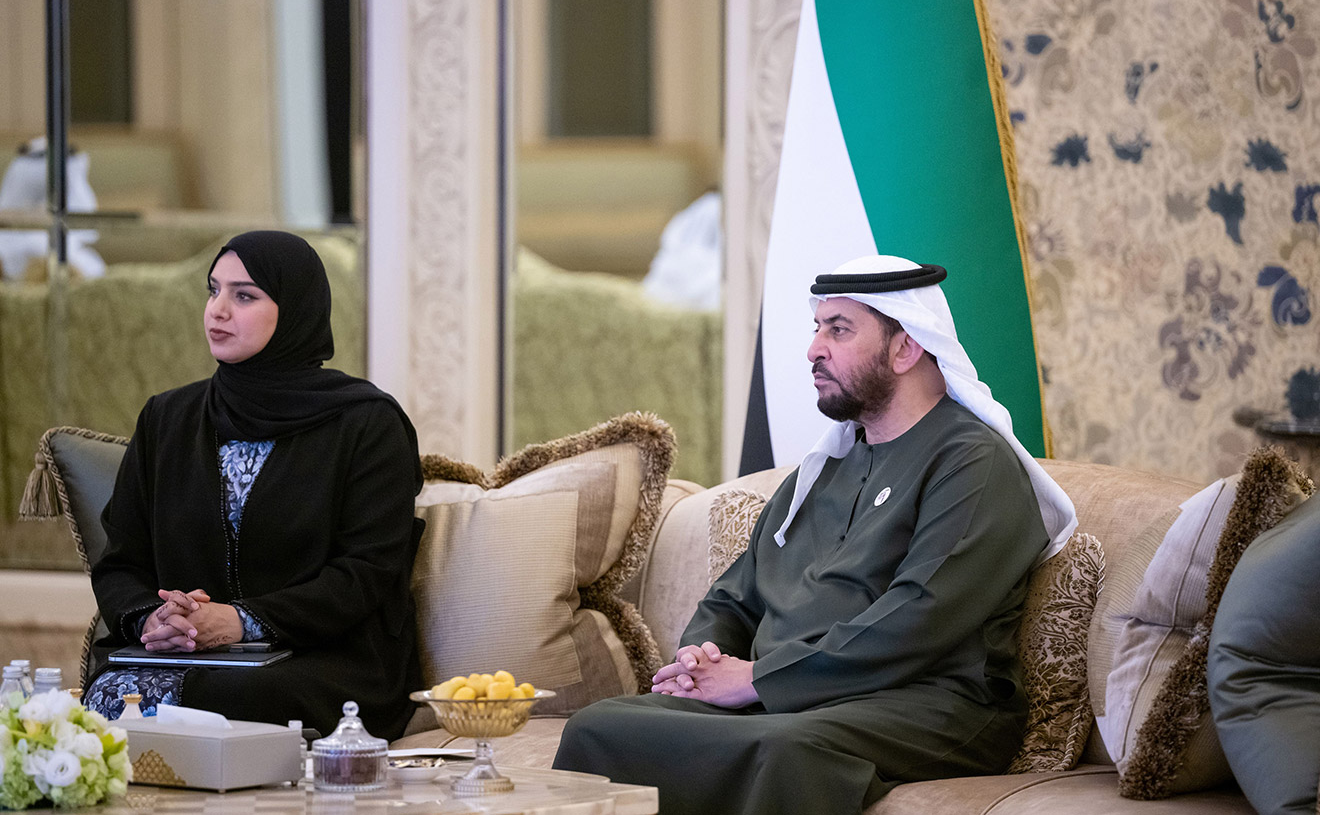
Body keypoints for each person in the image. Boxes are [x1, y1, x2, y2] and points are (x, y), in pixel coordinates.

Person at [553, 254, 1078, 815]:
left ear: (906, 348)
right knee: (598, 727)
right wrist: (701, 658)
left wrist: (758, 680)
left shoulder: (972, 462)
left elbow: (921, 615)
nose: (813, 349)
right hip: (793, 699)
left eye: (839, 330)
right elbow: (736, 595)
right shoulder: (827, 468)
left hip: (928, 702)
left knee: (784, 750)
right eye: (817, 327)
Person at [85, 230, 424, 738]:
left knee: (242, 697)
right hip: (184, 658)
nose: (217, 310)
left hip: (322, 658)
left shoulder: (366, 424)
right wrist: (155, 620)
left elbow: (366, 573)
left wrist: (240, 621)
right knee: (112, 691)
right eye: (213, 290)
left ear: (295, 311)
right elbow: (120, 561)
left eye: (244, 296)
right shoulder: (167, 419)